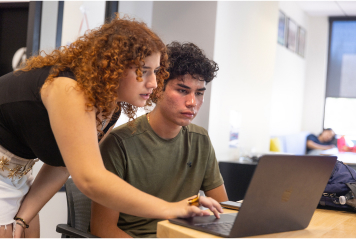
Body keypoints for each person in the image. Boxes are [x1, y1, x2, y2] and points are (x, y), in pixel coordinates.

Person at [0, 16, 222, 238]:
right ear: (114, 67)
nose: (154, 83)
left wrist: (23, 216)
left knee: (25, 228)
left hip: (16, 174)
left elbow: (63, 165)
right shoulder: (69, 90)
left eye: (155, 71)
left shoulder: (107, 109)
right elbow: (90, 180)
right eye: (144, 71)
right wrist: (171, 208)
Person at [91, 42, 228, 238]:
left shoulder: (200, 139)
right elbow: (103, 229)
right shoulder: (119, 143)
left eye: (199, 93)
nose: (192, 103)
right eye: (182, 90)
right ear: (157, 89)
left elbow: (223, 211)